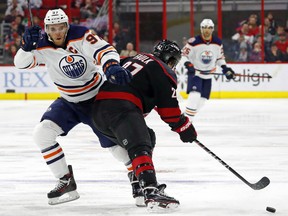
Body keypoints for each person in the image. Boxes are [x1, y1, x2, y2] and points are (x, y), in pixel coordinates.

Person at [14, 8, 132, 205]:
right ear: (46, 29)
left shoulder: (81, 36)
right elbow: (21, 64)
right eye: (52, 28)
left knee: (117, 149)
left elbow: (105, 50)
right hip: (68, 102)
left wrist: (111, 65)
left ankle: (138, 176)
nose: (57, 32)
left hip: (96, 100)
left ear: (67, 26)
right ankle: (65, 180)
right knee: (41, 134)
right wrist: (25, 47)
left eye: (61, 27)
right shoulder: (41, 44)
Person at [91, 40, 197, 211]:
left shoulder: (134, 58)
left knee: (148, 136)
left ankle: (138, 185)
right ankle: (150, 189)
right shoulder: (164, 70)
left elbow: (137, 87)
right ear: (170, 59)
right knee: (140, 145)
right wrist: (185, 128)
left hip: (98, 112)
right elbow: (169, 111)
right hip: (122, 108)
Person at [181, 19, 235, 121]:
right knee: (194, 96)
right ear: (201, 29)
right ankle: (187, 122)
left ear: (213, 29)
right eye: (204, 27)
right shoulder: (193, 42)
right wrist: (188, 64)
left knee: (202, 101)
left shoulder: (217, 42)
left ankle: (185, 118)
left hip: (208, 75)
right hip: (196, 74)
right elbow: (183, 55)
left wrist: (225, 68)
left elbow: (220, 58)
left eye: (209, 28)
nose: (206, 30)